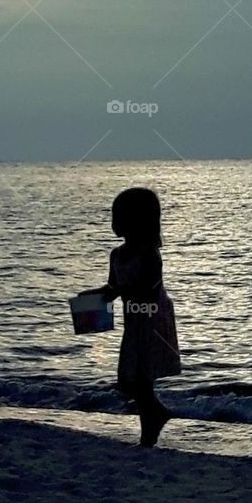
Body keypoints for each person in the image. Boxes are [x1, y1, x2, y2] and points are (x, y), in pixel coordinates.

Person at [93, 187, 181, 447]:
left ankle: (151, 425)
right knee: (129, 381)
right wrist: (95, 298)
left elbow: (148, 287)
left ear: (136, 221)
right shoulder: (117, 255)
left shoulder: (150, 254)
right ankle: (154, 416)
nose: (114, 223)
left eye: (119, 217)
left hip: (152, 319)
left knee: (142, 379)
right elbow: (113, 287)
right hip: (134, 321)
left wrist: (119, 291)